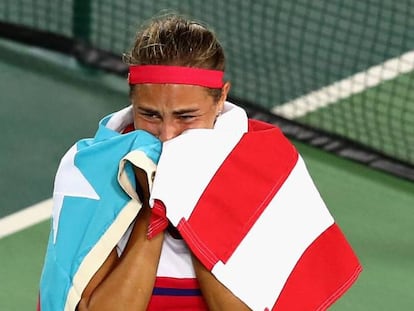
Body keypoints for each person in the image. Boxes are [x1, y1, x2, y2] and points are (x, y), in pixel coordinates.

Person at [38, 14, 362, 311]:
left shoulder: (266, 163)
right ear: (131, 97)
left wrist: (194, 208)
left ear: (221, 98)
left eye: (186, 117)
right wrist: (154, 214)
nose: (167, 135)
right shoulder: (92, 170)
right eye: (149, 114)